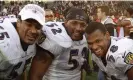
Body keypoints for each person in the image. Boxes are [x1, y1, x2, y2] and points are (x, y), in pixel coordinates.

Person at [29, 7, 91, 80]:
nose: (78, 28)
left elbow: (80, 68)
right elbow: (36, 75)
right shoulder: (54, 39)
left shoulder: (86, 37)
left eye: (82, 25)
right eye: (74, 23)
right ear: (65, 22)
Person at [0, 4, 45, 80]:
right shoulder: (3, 44)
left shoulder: (42, 38)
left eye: (37, 27)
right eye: (29, 24)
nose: (33, 31)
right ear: (18, 22)